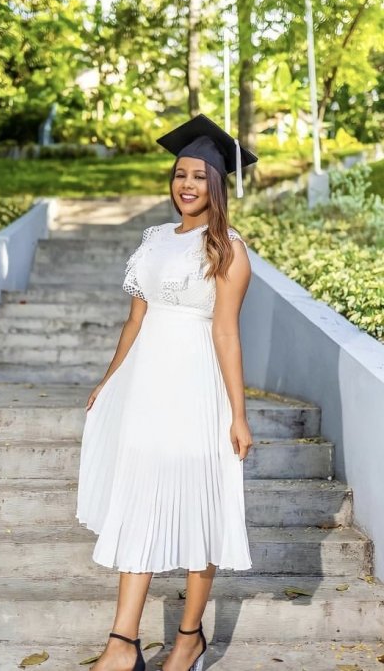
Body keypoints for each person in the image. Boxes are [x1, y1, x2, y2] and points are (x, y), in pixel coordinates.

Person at [76, 113, 258, 671]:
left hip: (195, 387)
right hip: (144, 387)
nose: (188, 185)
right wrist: (110, 379)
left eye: (201, 176)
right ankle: (122, 642)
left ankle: (188, 638)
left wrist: (238, 414)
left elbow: (226, 331)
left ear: (217, 184)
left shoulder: (228, 249)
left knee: (200, 506)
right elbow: (135, 321)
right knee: (139, 502)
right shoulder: (153, 239)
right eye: (181, 174)